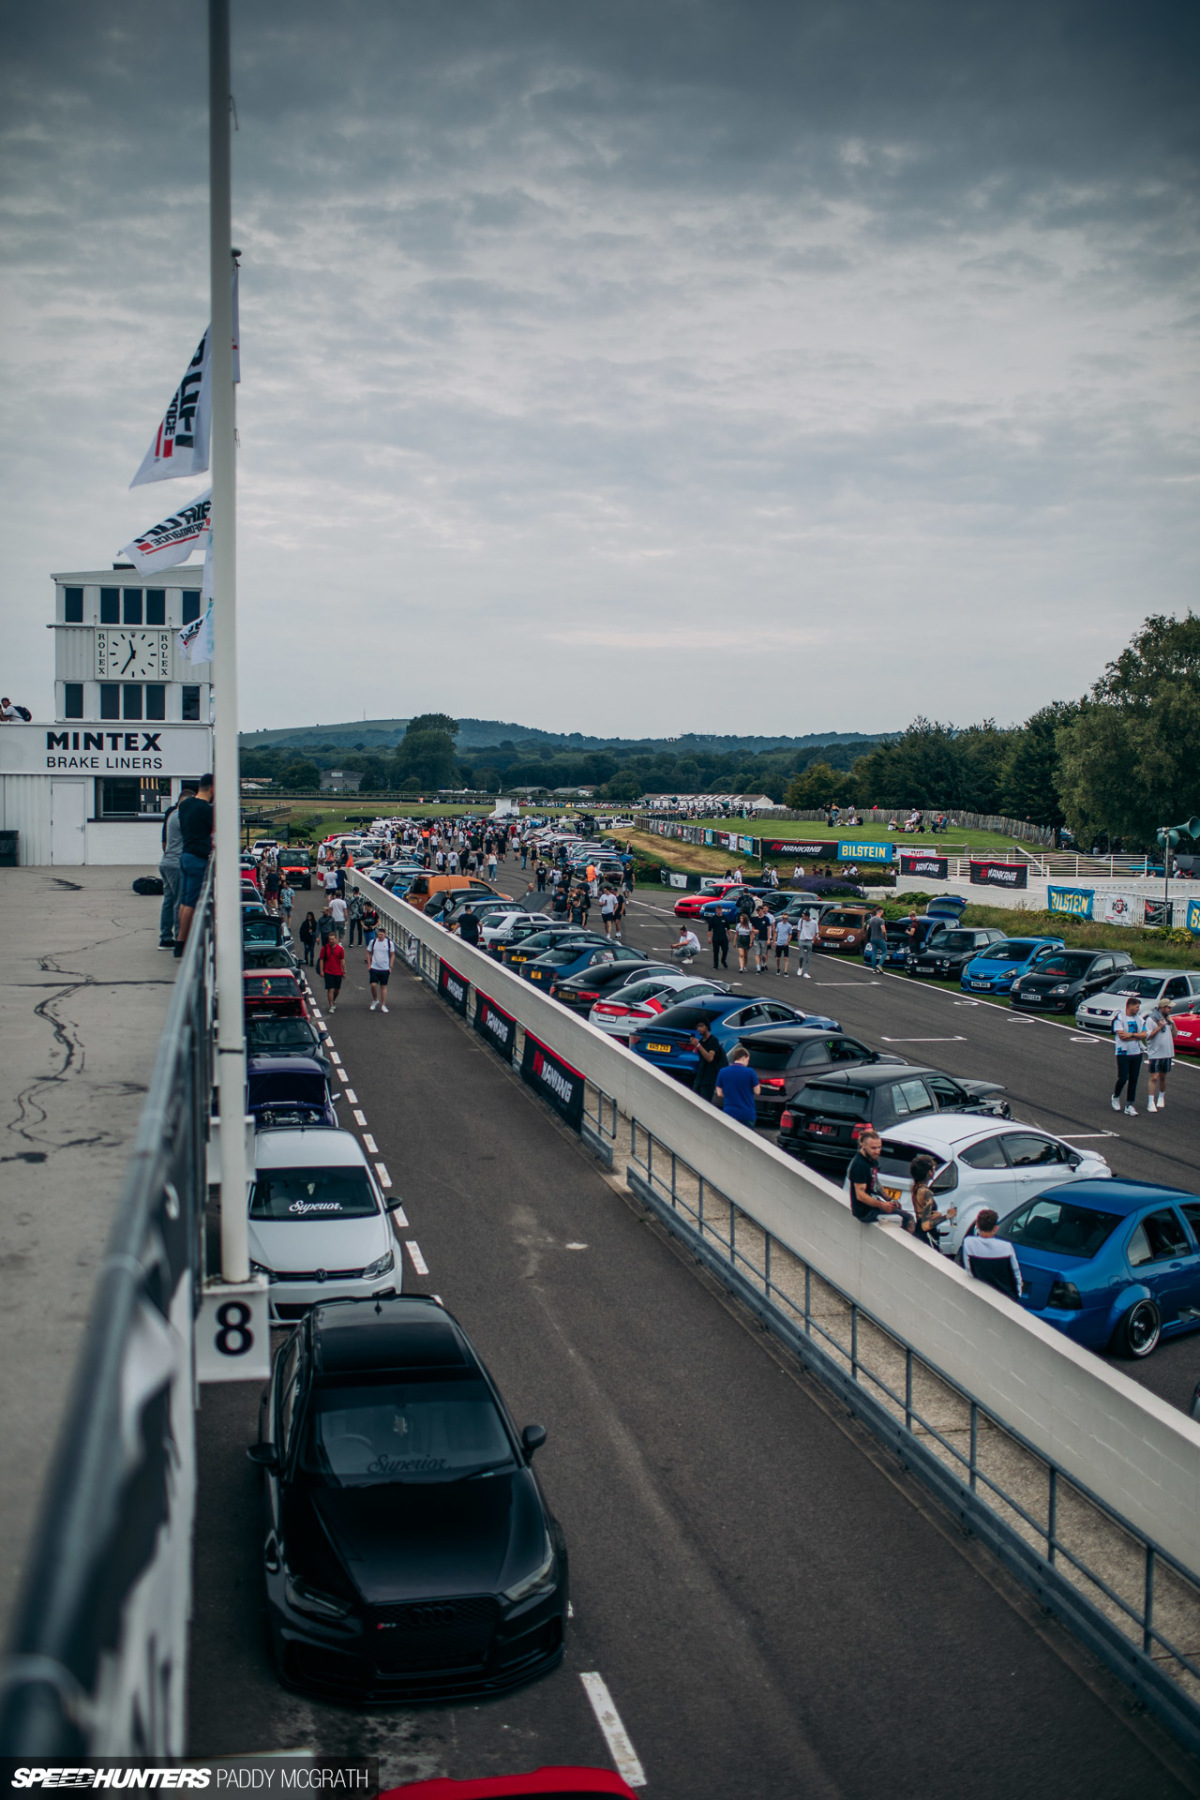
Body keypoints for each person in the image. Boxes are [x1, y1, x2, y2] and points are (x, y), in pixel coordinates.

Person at [174, 773, 213, 956]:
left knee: (184, 901)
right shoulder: (206, 809)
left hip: (185, 855)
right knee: (191, 903)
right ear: (212, 788)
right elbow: (211, 833)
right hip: (198, 858)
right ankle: (181, 944)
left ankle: (179, 938)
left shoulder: (185, 805)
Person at [158, 779, 197, 949]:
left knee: (168, 900)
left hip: (166, 862)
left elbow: (166, 841)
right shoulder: (182, 816)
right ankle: (179, 938)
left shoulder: (172, 814)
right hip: (176, 863)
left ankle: (165, 936)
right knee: (179, 902)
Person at [960, 1210, 1024, 1298]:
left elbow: (969, 1271)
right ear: (995, 1228)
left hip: (981, 1294)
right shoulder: (1006, 1247)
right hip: (1005, 1295)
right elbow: (1015, 1273)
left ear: (977, 1225)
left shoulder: (968, 1243)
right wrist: (1018, 1294)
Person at [846, 1129, 902, 1222]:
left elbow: (876, 1182)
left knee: (899, 1212)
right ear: (863, 1146)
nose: (877, 1151)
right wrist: (882, 1205)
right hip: (865, 1212)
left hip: (872, 1207)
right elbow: (860, 1195)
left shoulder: (871, 1159)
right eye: (873, 1148)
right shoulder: (860, 1165)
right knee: (908, 1219)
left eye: (879, 1147)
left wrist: (890, 1199)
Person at [908, 1155, 956, 1249]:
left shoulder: (915, 1188)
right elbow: (926, 1225)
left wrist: (936, 1215)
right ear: (928, 1173)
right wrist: (947, 1216)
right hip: (927, 1236)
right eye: (933, 1169)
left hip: (918, 1232)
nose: (934, 1172)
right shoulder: (926, 1193)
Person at [1112, 996, 1146, 1116]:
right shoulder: (1119, 1018)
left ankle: (1130, 1104)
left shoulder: (1140, 1019)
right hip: (1123, 1052)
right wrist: (1137, 1035)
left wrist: (1131, 1034)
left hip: (1137, 1052)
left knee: (1133, 1078)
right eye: (1137, 1007)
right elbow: (1122, 1036)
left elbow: (1144, 1034)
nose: (1138, 1009)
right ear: (1130, 1006)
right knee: (1123, 1077)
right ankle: (1116, 1096)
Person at [715, 1046, 760, 1125]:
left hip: (729, 1113)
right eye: (747, 1060)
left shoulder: (723, 1071)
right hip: (747, 1114)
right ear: (743, 1058)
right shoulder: (750, 1072)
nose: (747, 1063)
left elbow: (719, 1093)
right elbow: (757, 1091)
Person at [1143, 1002, 1174, 1113]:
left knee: (1163, 1076)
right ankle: (1150, 1102)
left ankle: (1161, 1097)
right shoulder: (1151, 1020)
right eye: (1168, 1007)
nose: (1170, 1009)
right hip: (1155, 1053)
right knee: (1154, 1077)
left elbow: (1175, 1035)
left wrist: (1173, 1024)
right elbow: (1148, 1036)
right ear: (1162, 1007)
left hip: (1167, 1052)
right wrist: (1160, 1027)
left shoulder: (1168, 1020)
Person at [691, 1019, 728, 1103]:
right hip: (700, 1075)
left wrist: (698, 1046)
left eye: (701, 1026)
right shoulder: (701, 1041)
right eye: (697, 1027)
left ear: (707, 1027)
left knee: (705, 1101)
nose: (698, 1029)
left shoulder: (713, 1041)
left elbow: (710, 1058)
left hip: (709, 1077)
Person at [367, 929, 395, 1012]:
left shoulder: (389, 943)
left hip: (385, 968)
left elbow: (392, 954)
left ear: (385, 935)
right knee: (373, 985)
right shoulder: (373, 942)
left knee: (383, 987)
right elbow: (368, 952)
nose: (380, 936)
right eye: (379, 935)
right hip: (374, 967)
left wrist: (390, 966)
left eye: (382, 935)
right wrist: (369, 965)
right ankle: (375, 1000)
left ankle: (383, 1005)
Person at [318, 932, 346, 1013]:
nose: (331, 941)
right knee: (330, 989)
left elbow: (342, 960)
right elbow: (321, 959)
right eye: (330, 939)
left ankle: (333, 999)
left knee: (337, 990)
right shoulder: (325, 948)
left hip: (338, 972)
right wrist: (321, 970)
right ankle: (331, 1005)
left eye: (332, 939)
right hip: (328, 972)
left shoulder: (340, 949)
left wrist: (344, 971)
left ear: (336, 939)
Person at [795, 910, 817, 980]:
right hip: (802, 939)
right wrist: (799, 939)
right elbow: (799, 930)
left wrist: (813, 940)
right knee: (801, 956)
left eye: (804, 916)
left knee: (808, 957)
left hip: (809, 940)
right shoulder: (801, 921)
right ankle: (800, 967)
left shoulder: (814, 923)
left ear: (807, 916)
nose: (803, 917)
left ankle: (806, 972)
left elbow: (816, 932)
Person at [773, 911, 793, 975]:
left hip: (785, 943)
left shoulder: (789, 926)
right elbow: (776, 932)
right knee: (778, 957)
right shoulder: (779, 924)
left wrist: (788, 941)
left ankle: (785, 971)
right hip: (779, 942)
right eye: (783, 918)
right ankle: (778, 968)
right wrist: (774, 941)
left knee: (786, 957)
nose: (784, 920)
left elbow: (790, 934)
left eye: (786, 919)